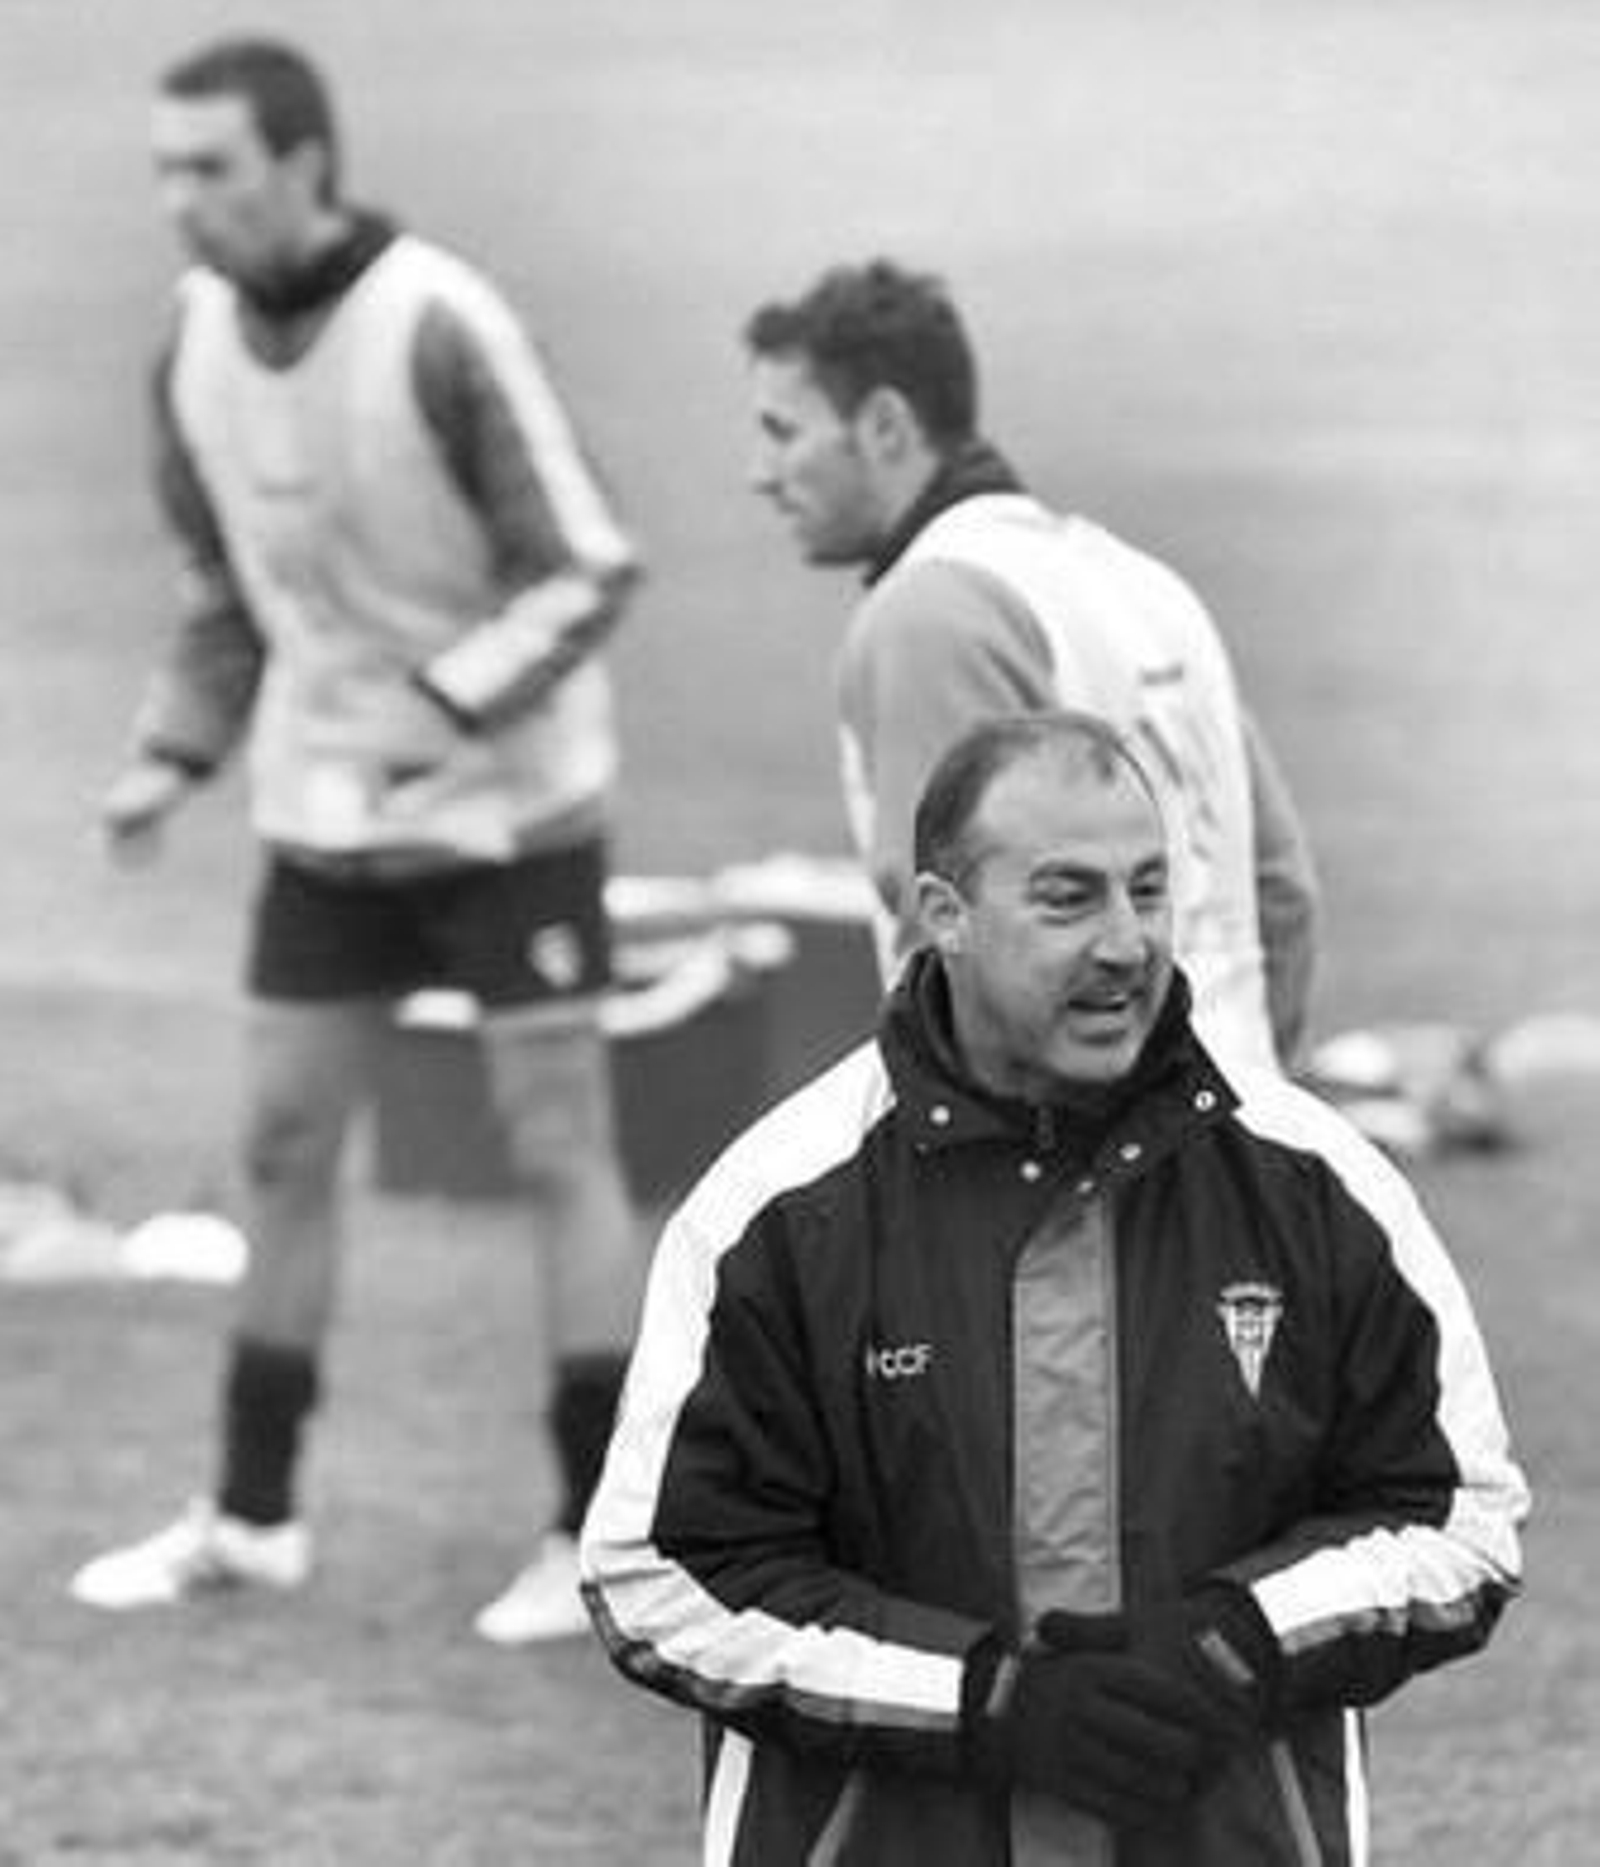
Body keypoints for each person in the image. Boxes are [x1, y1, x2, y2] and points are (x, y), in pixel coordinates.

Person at [580, 711, 1527, 1864]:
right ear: (944, 915)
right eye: (1067, 898)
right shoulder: (777, 1209)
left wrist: (1238, 1640)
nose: (1126, 942)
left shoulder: (1316, 1181)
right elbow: (662, 1575)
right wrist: (983, 1701)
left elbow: (1459, 1519)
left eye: (1147, 890)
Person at [69, 36, 645, 1645]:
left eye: (212, 166)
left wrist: (443, 709)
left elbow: (587, 563)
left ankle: (591, 1535)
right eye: (165, 169)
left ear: (305, 164)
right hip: (322, 822)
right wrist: (172, 756)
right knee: (279, 1146)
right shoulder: (189, 340)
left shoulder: (440, 322)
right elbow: (223, 593)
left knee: (557, 1148)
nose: (182, 199)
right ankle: (252, 1517)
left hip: (511, 814)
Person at [744, 258, 1318, 1076]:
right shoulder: (1145, 585)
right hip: (1237, 1113)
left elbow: (966, 959)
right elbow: (1281, 893)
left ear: (884, 425)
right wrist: (1250, 1104)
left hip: (1070, 1144)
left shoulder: (928, 619)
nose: (761, 475)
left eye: (782, 433)